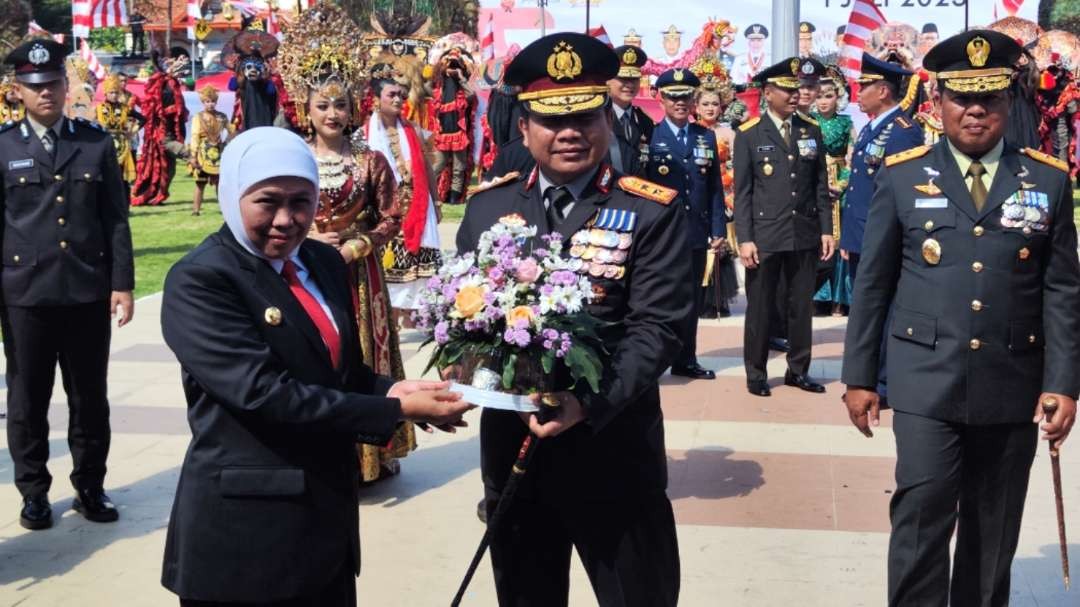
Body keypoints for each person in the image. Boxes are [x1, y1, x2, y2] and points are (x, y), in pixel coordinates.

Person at [159, 127, 470, 606]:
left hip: (324, 523)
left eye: (301, 201)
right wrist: (394, 413)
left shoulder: (322, 262)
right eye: (267, 201)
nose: (286, 219)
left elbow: (338, 373)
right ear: (233, 193)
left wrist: (393, 389)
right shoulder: (202, 280)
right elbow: (265, 393)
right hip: (245, 538)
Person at [841, 30, 1080, 606]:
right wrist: (858, 377)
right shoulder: (901, 175)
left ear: (1008, 103)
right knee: (921, 514)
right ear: (938, 103)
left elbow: (1063, 291)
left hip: (1011, 378)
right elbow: (873, 285)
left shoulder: (1046, 178)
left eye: (990, 99)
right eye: (962, 99)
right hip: (925, 378)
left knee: (992, 527)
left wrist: (1063, 383)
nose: (976, 111)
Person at [456, 32, 686, 607]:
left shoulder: (649, 210)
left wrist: (589, 402)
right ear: (525, 127)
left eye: (585, 116)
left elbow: (656, 329)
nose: (570, 133)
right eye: (552, 120)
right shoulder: (489, 207)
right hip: (515, 450)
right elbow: (464, 317)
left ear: (606, 120)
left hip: (613, 449)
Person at [0, 39, 135, 530]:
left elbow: (115, 220)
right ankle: (34, 492)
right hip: (25, 296)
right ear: (18, 90)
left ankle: (90, 487)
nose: (46, 94)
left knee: (89, 398)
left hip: (84, 291)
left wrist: (122, 284)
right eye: (35, 87)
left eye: (54, 83)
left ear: (66, 84)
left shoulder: (95, 143)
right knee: (27, 399)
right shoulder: (3, 147)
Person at [279, 1, 416, 483]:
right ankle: (322, 447)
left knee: (361, 358)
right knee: (313, 356)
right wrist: (304, 235)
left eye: (339, 104)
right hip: (303, 271)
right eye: (322, 105)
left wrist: (357, 245)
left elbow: (394, 214)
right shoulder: (293, 156)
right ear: (305, 107)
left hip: (358, 276)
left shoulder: (371, 159)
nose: (332, 113)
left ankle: (372, 456)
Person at [733, 57, 834, 398]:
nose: (795, 96)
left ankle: (798, 369)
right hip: (765, 236)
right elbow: (743, 193)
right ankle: (756, 373)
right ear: (767, 93)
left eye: (798, 90)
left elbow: (820, 185)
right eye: (787, 90)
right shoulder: (748, 134)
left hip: (803, 233)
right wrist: (744, 239)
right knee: (760, 308)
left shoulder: (810, 129)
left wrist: (826, 229)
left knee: (800, 306)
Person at [646, 68, 724, 380]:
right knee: (661, 298)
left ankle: (686, 358)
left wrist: (718, 228)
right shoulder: (652, 136)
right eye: (673, 97)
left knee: (691, 299)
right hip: (661, 232)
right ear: (661, 99)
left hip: (694, 230)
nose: (680, 103)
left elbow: (715, 186)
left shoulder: (705, 136)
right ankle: (656, 358)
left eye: (685, 97)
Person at [365, 63, 442, 321]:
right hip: (388, 208)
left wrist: (437, 201)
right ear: (376, 100)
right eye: (392, 95)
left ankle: (414, 317)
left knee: (421, 264)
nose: (399, 99)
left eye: (401, 94)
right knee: (390, 267)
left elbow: (428, 168)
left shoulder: (413, 129)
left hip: (418, 203)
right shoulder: (364, 136)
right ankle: (390, 317)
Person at [840, 53, 924, 280]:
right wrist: (850, 236)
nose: (858, 92)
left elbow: (905, 190)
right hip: (861, 234)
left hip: (882, 237)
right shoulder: (870, 127)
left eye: (865, 86)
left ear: (883, 91)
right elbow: (859, 185)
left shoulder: (902, 131)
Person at [811, 67, 856, 316]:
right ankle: (818, 296)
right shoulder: (808, 124)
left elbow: (853, 158)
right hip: (815, 183)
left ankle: (841, 297)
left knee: (840, 240)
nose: (823, 101)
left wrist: (841, 183)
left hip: (840, 183)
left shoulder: (847, 123)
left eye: (828, 96)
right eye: (819, 96)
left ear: (837, 97)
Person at [692, 79, 738, 318]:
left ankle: (718, 299)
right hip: (700, 194)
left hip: (725, 194)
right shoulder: (691, 132)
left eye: (715, 104)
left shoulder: (728, 133)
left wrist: (729, 188)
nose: (710, 108)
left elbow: (737, 166)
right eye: (705, 104)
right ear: (696, 106)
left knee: (722, 249)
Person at [130, 52, 189, 206]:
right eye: (170, 63)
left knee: (169, 169)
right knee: (183, 153)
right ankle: (200, 160)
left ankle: (157, 196)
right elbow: (155, 106)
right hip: (160, 132)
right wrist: (173, 109)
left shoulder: (173, 83)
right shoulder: (159, 82)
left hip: (171, 130)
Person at [430, 46, 477, 204]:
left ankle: (454, 198)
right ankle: (427, 191)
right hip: (442, 134)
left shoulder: (462, 89)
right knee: (438, 165)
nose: (452, 67)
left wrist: (461, 77)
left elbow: (472, 95)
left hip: (459, 135)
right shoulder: (439, 88)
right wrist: (440, 69)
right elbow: (425, 88)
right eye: (451, 64)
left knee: (459, 168)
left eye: (455, 65)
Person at [607, 45, 654, 176]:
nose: (630, 85)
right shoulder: (597, 119)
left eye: (634, 79)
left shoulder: (645, 121)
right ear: (608, 81)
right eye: (623, 79)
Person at [188, 85, 232, 216]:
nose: (210, 104)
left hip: (219, 153)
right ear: (203, 102)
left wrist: (227, 141)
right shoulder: (198, 117)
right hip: (203, 153)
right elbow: (195, 136)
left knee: (220, 184)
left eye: (213, 101)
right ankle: (196, 210)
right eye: (207, 101)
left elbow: (231, 131)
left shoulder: (222, 117)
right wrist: (193, 155)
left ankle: (225, 210)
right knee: (200, 183)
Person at [95, 73, 142, 190]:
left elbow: (143, 119)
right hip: (104, 144)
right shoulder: (99, 108)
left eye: (116, 92)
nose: (114, 95)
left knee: (122, 177)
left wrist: (133, 131)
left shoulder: (124, 108)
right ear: (105, 93)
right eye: (111, 92)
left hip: (122, 145)